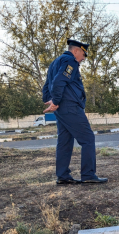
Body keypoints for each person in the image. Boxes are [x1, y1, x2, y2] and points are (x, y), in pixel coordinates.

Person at [42, 39, 107, 186]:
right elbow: (58, 81)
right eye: (84, 54)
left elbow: (47, 85)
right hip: (69, 107)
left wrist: (49, 100)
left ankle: (63, 175)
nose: (84, 58)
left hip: (60, 109)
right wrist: (56, 101)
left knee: (65, 141)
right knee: (88, 139)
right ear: (76, 51)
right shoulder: (70, 61)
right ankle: (88, 174)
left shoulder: (54, 63)